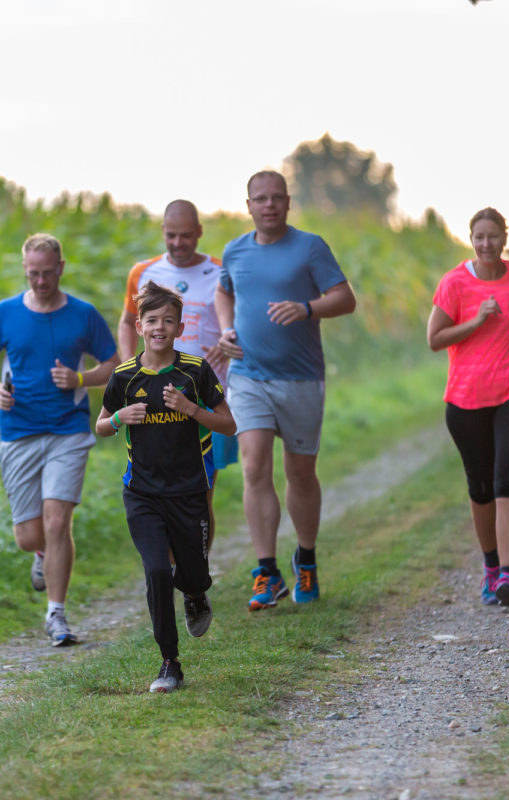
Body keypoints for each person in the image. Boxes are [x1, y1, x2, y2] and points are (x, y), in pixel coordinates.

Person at [215, 170, 357, 611]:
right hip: (248, 375)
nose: (269, 205)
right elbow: (224, 293)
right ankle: (266, 571)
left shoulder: (309, 247)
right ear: (249, 205)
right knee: (254, 466)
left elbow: (345, 298)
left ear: (288, 202)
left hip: (300, 378)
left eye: (277, 198)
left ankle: (306, 559)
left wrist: (307, 308)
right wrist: (226, 329)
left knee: (299, 473)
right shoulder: (234, 251)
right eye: (261, 199)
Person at [0, 233, 120, 646]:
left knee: (58, 521)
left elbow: (112, 363)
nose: (40, 281)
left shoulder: (83, 315)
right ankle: (40, 555)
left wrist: (80, 379)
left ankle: (56, 615)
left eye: (47, 273)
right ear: (25, 270)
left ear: (61, 268)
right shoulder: (6, 313)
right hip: (18, 431)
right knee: (30, 537)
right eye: (33, 274)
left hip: (68, 430)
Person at [96, 281, 236, 693]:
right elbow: (101, 426)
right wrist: (121, 417)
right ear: (139, 326)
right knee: (157, 570)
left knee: (192, 572)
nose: (160, 327)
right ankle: (169, 663)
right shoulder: (124, 375)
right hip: (142, 493)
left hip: (190, 491)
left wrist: (192, 409)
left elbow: (228, 423)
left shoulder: (195, 371)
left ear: (180, 326)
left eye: (168, 321)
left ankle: (195, 593)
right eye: (152, 320)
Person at [427, 207, 509, 607]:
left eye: (493, 236)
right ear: (471, 239)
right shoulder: (455, 283)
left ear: (504, 237)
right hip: (465, 399)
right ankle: (491, 566)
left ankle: (508, 577)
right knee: (480, 490)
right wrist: (477, 321)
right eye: (479, 237)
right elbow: (435, 338)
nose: (486, 244)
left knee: (506, 481)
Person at [118, 200, 238, 553]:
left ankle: (194, 573)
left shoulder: (220, 272)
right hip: (154, 400)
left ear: (199, 232)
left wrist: (228, 342)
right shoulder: (143, 272)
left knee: (200, 496)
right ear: (163, 233)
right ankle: (171, 568)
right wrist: (130, 371)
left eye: (186, 236)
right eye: (171, 235)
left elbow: (240, 324)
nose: (178, 243)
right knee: (159, 492)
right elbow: (128, 322)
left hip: (208, 398)